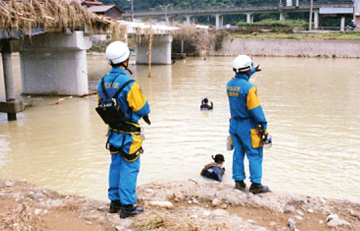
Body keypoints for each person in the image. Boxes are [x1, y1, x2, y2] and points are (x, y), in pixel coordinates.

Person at [96, 41, 151, 218]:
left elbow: (101, 104)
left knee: (116, 165)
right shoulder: (129, 84)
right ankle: (128, 206)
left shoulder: (102, 83)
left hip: (113, 133)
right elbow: (143, 108)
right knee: (130, 167)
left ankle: (115, 202)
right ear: (125, 60)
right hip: (130, 135)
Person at [226, 55, 271, 194]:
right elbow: (255, 110)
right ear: (247, 69)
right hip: (248, 126)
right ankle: (256, 184)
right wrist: (264, 127)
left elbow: (240, 78)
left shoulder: (230, 84)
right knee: (255, 154)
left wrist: (252, 71)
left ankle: (239, 182)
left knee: (238, 153)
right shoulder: (250, 88)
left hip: (234, 125)